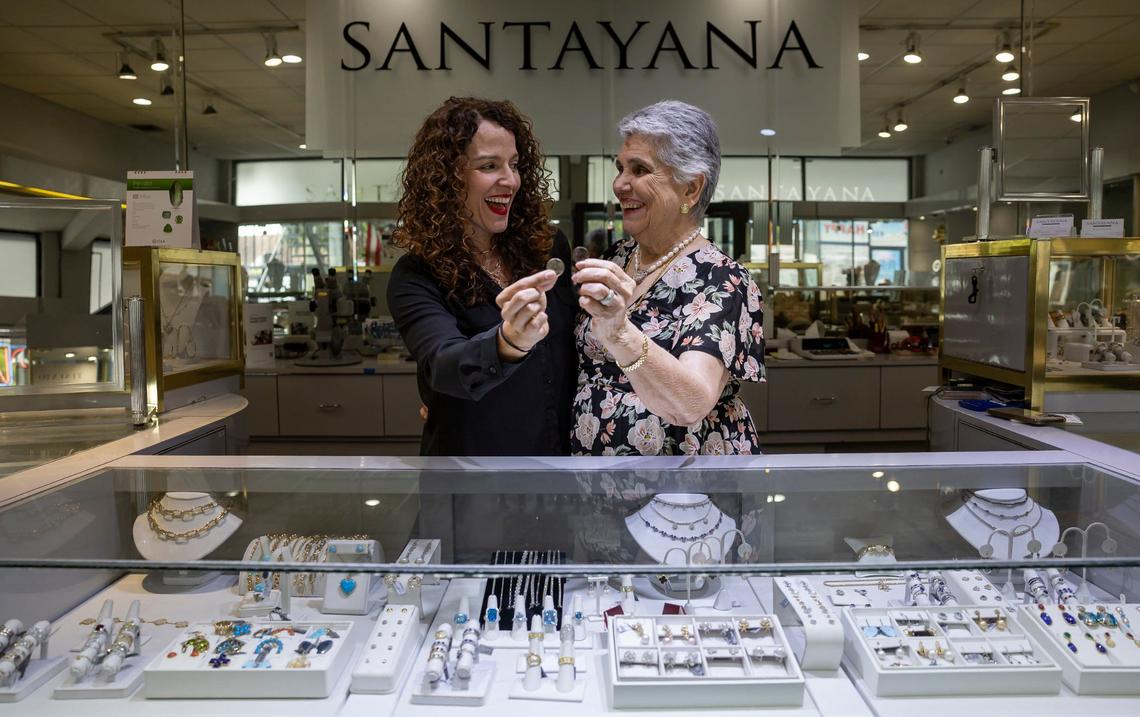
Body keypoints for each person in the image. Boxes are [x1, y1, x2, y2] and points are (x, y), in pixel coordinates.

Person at [570, 100, 765, 455]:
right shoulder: (618, 256)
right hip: (600, 486)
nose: (619, 184)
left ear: (690, 188)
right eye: (620, 168)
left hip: (684, 493)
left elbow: (690, 403)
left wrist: (619, 332)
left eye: (640, 169)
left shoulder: (722, 280)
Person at [387, 97, 576, 456]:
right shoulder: (417, 275)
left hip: (554, 470)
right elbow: (443, 365)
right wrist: (509, 341)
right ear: (447, 178)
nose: (510, 181)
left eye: (515, 164)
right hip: (474, 479)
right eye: (489, 165)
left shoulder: (547, 247)